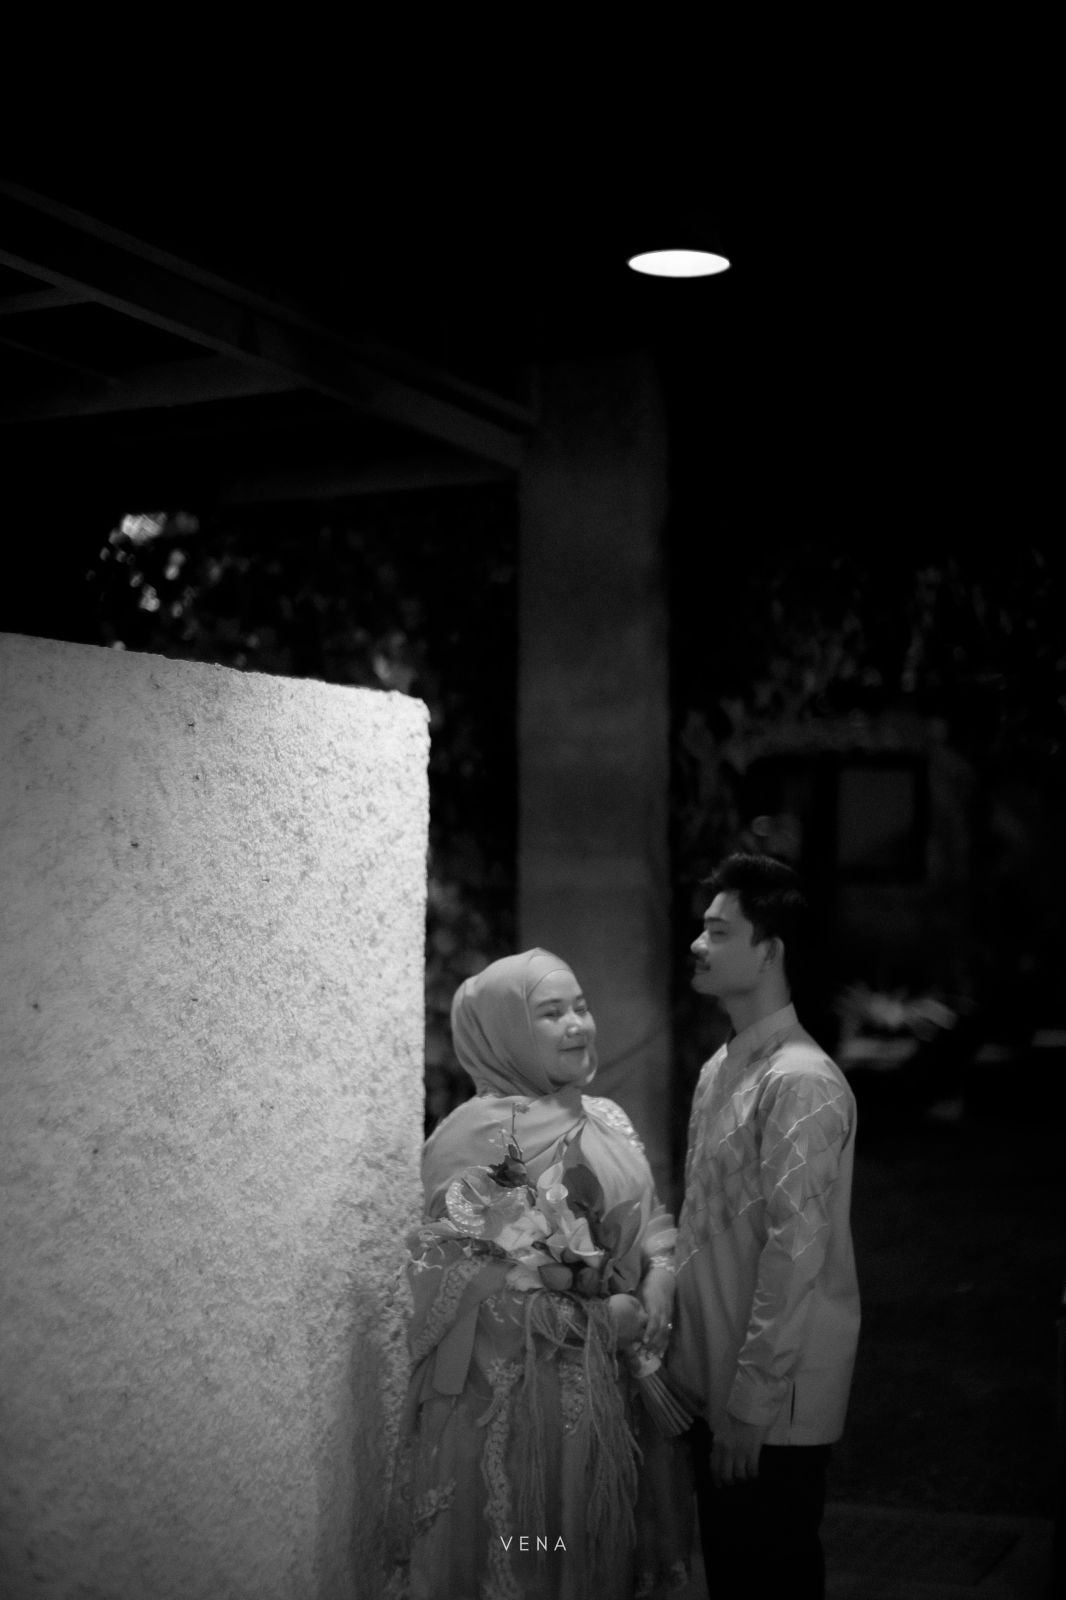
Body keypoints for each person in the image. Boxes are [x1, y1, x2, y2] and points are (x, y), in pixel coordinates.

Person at [388, 949, 682, 1600]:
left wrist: (660, 1272)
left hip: (611, 1398)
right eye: (552, 1013)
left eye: (581, 1007)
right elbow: (469, 1293)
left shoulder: (606, 1118)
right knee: (529, 1559)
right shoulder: (472, 1144)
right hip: (520, 1415)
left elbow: (652, 1216)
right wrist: (601, 1319)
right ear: (507, 1032)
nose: (578, 1024)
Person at [667, 853, 860, 1600]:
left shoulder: (801, 1081)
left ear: (770, 950)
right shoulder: (724, 1067)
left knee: (770, 1577)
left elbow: (794, 1255)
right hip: (720, 1395)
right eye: (703, 929)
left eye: (720, 932)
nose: (698, 944)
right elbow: (704, 1228)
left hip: (769, 1409)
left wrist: (749, 1406)